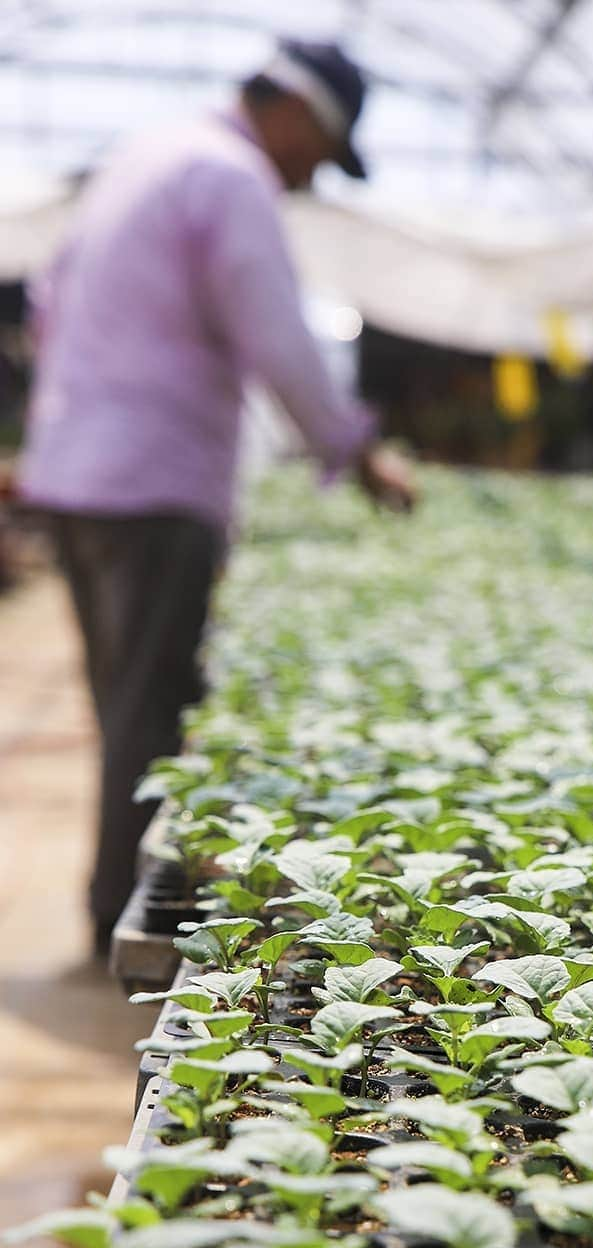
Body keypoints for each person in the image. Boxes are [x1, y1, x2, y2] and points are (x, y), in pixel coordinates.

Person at [17, 38, 415, 959]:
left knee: (123, 700)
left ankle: (111, 909)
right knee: (148, 715)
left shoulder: (145, 154)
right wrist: (355, 452)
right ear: (297, 113)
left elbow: (48, 305)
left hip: (76, 476)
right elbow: (277, 334)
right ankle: (120, 926)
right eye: (323, 148)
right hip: (153, 486)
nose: (314, 172)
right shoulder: (229, 177)